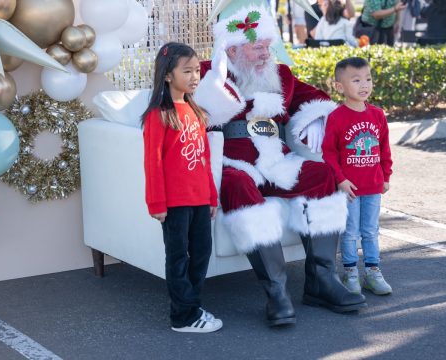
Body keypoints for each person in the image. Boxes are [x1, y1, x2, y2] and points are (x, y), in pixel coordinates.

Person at [194, 4, 366, 327]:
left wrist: (316, 119)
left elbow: (314, 99)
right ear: (231, 48)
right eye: (256, 47)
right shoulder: (209, 71)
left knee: (323, 174)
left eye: (267, 46)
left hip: (277, 160)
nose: (265, 54)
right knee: (237, 185)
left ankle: (321, 281)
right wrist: (215, 83)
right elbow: (195, 111)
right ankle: (276, 292)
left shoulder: (281, 75)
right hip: (235, 162)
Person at [141, 42, 222, 333]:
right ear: (167, 75)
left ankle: (192, 304)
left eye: (197, 70)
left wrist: (212, 196)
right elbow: (153, 162)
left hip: (200, 199)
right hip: (174, 203)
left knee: (201, 253)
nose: (194, 76)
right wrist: (157, 204)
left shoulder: (194, 111)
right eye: (186, 71)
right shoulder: (158, 115)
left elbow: (204, 159)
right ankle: (182, 317)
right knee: (178, 257)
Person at [322, 57, 393, 296]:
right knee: (350, 232)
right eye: (356, 80)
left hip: (373, 186)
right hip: (349, 188)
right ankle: (350, 271)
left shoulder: (377, 115)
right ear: (340, 87)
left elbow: (384, 148)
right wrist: (340, 180)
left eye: (368, 79)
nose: (364, 85)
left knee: (371, 230)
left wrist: (386, 175)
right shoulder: (337, 117)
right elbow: (329, 153)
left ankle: (373, 272)